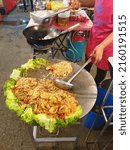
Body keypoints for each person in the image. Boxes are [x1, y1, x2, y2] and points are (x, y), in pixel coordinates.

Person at [79, 0, 113, 86]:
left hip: (107, 43)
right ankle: (83, 82)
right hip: (94, 36)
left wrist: (102, 46)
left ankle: (96, 85)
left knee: (101, 69)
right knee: (87, 63)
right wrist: (80, 3)